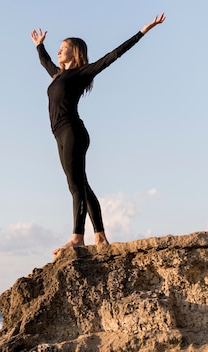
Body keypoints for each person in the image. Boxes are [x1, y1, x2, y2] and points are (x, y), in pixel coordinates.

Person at [30, 13, 166, 255]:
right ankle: (100, 236)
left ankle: (77, 238)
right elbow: (46, 62)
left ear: (76, 51)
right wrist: (40, 46)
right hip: (60, 134)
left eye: (64, 48)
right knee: (81, 184)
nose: (59, 51)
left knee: (75, 186)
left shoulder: (82, 73)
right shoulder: (58, 75)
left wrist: (142, 32)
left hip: (73, 131)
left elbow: (112, 56)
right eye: (59, 48)